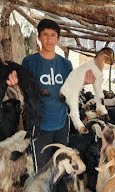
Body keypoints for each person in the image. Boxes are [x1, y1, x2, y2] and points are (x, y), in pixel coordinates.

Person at [20, 18, 73, 169]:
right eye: (45, 35)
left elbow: (71, 89)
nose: (49, 39)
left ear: (58, 39)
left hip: (62, 122)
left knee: (61, 166)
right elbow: (25, 88)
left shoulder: (66, 64)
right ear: (39, 37)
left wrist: (84, 82)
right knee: (41, 167)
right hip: (39, 123)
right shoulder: (29, 62)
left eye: (53, 35)